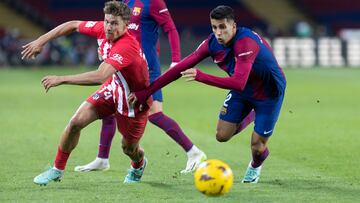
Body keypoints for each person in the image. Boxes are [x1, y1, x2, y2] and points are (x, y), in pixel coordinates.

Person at [129, 5, 286, 183]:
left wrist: (201, 76)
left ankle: (255, 166)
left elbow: (238, 82)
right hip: (243, 92)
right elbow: (179, 69)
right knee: (222, 135)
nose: (218, 32)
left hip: (269, 94)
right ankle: (253, 114)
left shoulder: (246, 42)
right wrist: (146, 92)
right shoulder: (211, 43)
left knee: (257, 147)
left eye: (223, 27)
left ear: (233, 26)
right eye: (214, 27)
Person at [22, 1, 152, 185]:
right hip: (113, 89)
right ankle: (57, 169)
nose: (108, 27)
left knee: (129, 148)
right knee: (75, 122)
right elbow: (72, 24)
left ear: (126, 25)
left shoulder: (127, 45)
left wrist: (62, 79)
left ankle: (138, 164)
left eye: (114, 23)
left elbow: (100, 76)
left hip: (133, 102)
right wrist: (40, 41)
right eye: (107, 21)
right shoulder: (102, 29)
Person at [74, 0, 206, 174]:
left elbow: (171, 29)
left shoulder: (154, 3)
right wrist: (106, 47)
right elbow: (116, 30)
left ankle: (194, 152)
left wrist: (175, 61)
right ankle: (102, 159)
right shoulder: (124, 3)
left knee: (155, 114)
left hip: (147, 68)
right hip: (123, 66)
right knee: (109, 105)